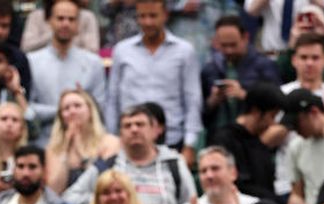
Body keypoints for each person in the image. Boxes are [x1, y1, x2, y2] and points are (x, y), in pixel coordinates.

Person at [63, 104, 196, 204]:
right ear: (120, 134)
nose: (134, 129)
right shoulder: (108, 166)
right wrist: (102, 201)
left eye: (140, 124)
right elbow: (69, 198)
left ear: (155, 130)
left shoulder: (174, 164)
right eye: (127, 126)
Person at [105, 0, 200, 163]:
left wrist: (190, 144)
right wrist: (111, 137)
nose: (147, 22)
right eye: (142, 16)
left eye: (153, 16)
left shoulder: (184, 51)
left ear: (166, 15)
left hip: (171, 140)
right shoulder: (122, 50)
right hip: (129, 140)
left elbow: (192, 99)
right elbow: (113, 98)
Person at [27, 0, 106, 146]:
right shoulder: (32, 61)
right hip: (43, 143)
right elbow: (27, 108)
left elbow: (99, 107)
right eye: (60, 18)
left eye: (71, 19)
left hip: (85, 144)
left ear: (78, 24)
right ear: (49, 21)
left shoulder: (93, 63)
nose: (65, 24)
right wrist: (65, 109)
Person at [207, 82, 285, 204]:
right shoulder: (224, 140)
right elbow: (237, 184)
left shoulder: (259, 143)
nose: (272, 124)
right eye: (272, 116)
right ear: (256, 112)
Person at [200, 15, 280, 133]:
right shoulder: (210, 69)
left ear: (245, 38)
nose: (229, 50)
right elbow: (199, 114)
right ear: (216, 41)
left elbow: (277, 104)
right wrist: (213, 101)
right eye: (224, 45)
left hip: (252, 137)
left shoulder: (264, 66)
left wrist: (244, 95)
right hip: (218, 135)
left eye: (233, 45)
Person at [43, 89, 119, 195]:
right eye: (66, 108)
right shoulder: (54, 149)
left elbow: (103, 182)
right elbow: (54, 191)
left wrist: (80, 151)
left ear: (90, 110)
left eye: (77, 106)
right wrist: (65, 149)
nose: (72, 111)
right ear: (61, 117)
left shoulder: (110, 141)